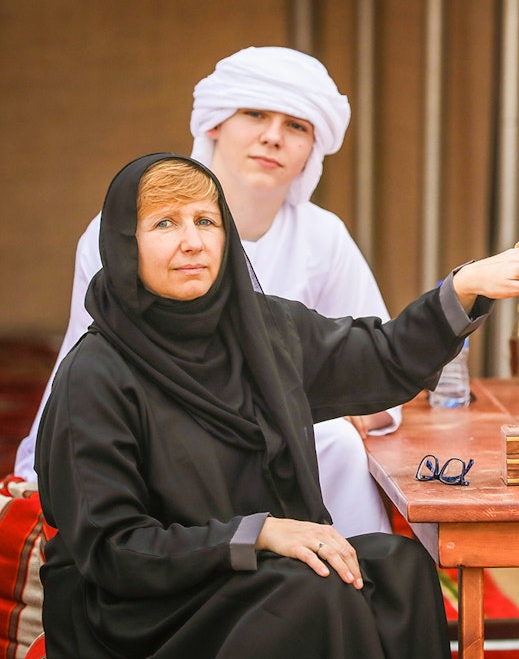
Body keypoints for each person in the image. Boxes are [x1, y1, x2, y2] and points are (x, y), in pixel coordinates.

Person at [35, 153, 519, 659]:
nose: (192, 242)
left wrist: (462, 290)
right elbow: (114, 550)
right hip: (142, 607)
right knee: (312, 595)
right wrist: (258, 534)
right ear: (124, 244)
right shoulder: (95, 376)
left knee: (399, 569)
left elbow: (382, 359)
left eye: (206, 220)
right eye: (163, 223)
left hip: (251, 572)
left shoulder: (264, 332)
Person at [17, 46, 395, 536]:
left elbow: (378, 360)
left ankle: (352, 588)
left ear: (313, 148)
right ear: (215, 123)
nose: (273, 137)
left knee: (337, 445)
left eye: (297, 126)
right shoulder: (121, 229)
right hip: (153, 436)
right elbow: (91, 364)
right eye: (255, 113)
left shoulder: (323, 237)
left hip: (276, 445)